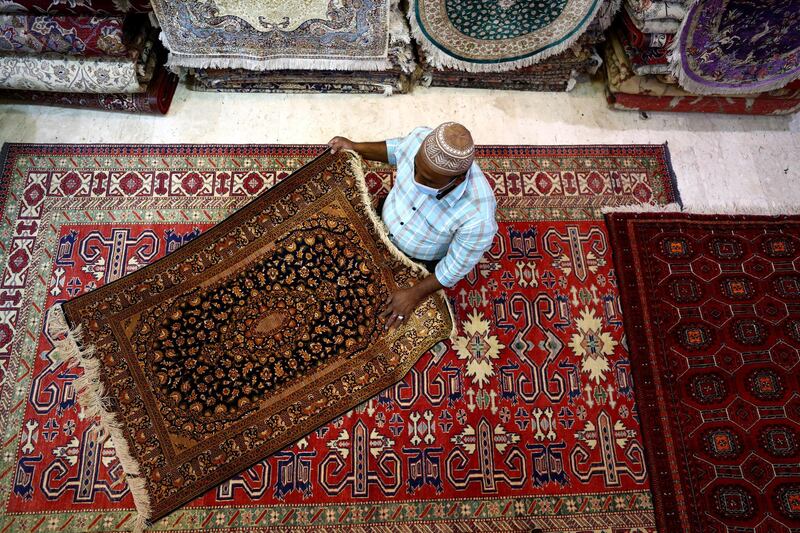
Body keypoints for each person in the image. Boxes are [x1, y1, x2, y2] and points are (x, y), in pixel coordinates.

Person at [328, 122, 498, 331]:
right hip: (382, 218)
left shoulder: (478, 218)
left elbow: (453, 268)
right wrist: (356, 146)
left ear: (457, 180)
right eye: (415, 166)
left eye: (427, 180)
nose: (415, 179)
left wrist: (413, 294)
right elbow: (397, 150)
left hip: (415, 259)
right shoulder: (419, 139)